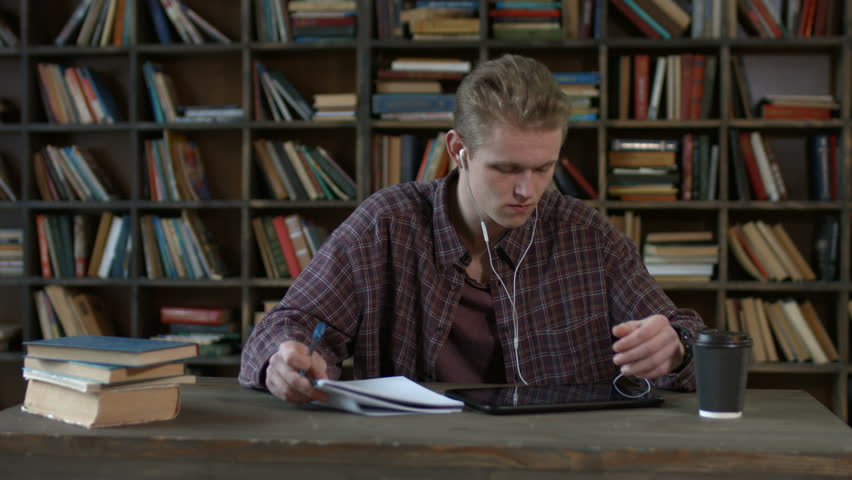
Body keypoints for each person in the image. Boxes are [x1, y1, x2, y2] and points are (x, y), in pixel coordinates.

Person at [240, 54, 705, 404]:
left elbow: (685, 337)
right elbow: (289, 323)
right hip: (416, 460)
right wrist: (284, 360)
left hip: (560, 461)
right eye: (505, 169)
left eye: (543, 169)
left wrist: (677, 349)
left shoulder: (586, 234)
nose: (528, 190)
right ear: (458, 149)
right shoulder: (388, 223)